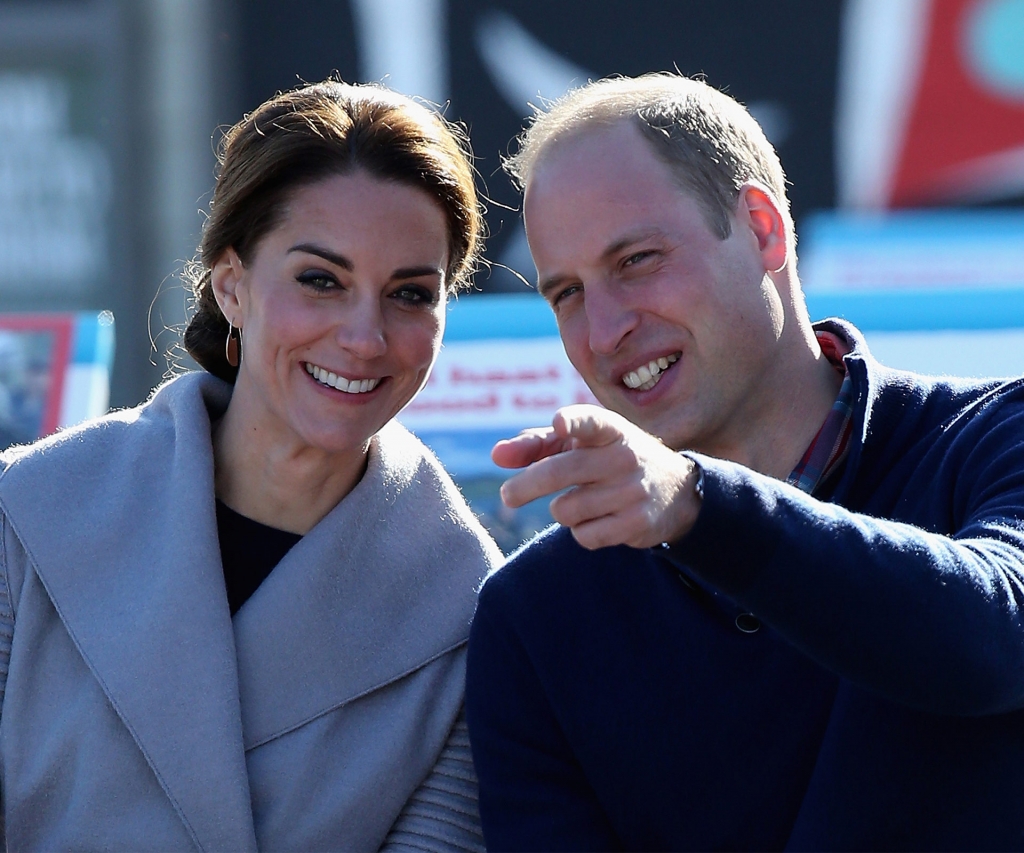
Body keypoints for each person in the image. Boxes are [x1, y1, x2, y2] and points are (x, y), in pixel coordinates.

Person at [464, 72, 1024, 851]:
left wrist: (699, 506)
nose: (604, 330)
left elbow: (993, 638)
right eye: (565, 293)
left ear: (763, 229)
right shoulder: (535, 613)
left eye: (636, 260)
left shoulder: (996, 435)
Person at [0, 80, 502, 851]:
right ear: (232, 285)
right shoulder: (28, 515)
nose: (365, 337)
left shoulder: (471, 612)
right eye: (320, 280)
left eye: (409, 293)